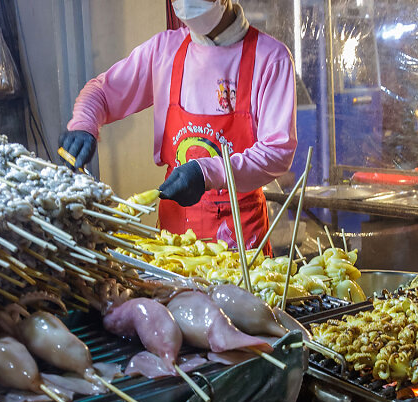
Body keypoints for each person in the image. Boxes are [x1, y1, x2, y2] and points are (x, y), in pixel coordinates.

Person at [61, 0, 297, 252]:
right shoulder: (165, 50)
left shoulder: (271, 58)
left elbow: (277, 151)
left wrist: (208, 173)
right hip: (174, 235)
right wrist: (84, 122)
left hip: (240, 238)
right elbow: (102, 92)